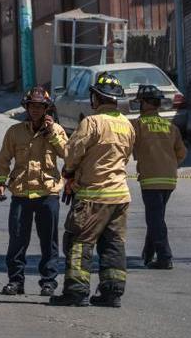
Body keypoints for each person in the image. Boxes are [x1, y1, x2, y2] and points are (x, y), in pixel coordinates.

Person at [51, 72, 135, 308]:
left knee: (79, 241)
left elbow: (72, 153)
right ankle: (112, 293)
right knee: (113, 244)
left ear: (97, 98)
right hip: (120, 196)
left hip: (93, 196)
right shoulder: (127, 125)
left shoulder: (92, 123)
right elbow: (125, 156)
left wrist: (69, 173)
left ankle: (76, 291)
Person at [0, 86, 68, 297]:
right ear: (26, 107)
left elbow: (67, 154)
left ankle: (49, 282)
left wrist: (51, 133)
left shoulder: (56, 130)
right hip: (21, 193)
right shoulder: (14, 132)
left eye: (40, 106)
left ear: (47, 109)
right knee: (17, 240)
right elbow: (4, 159)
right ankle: (15, 281)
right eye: (32, 106)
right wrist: (0, 183)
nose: (35, 110)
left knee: (49, 241)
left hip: (48, 193)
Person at [131, 85, 187, 270]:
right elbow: (182, 153)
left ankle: (164, 257)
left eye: (140, 102)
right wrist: (169, 165)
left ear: (147, 103)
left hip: (150, 180)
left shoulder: (138, 125)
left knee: (155, 219)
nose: (139, 105)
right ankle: (148, 254)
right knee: (156, 217)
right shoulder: (170, 126)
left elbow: (126, 147)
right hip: (169, 179)